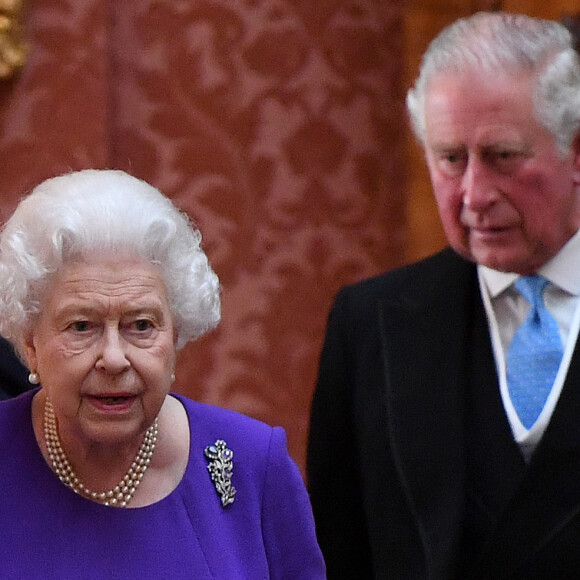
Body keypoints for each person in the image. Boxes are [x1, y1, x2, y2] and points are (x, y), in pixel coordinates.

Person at [307, 11, 580, 579]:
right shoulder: (371, 324)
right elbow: (337, 551)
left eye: (503, 156)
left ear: (575, 152)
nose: (474, 195)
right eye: (451, 159)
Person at [0, 169, 326, 579]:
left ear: (175, 334)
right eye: (82, 326)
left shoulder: (253, 464)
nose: (114, 359)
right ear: (31, 343)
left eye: (141, 325)